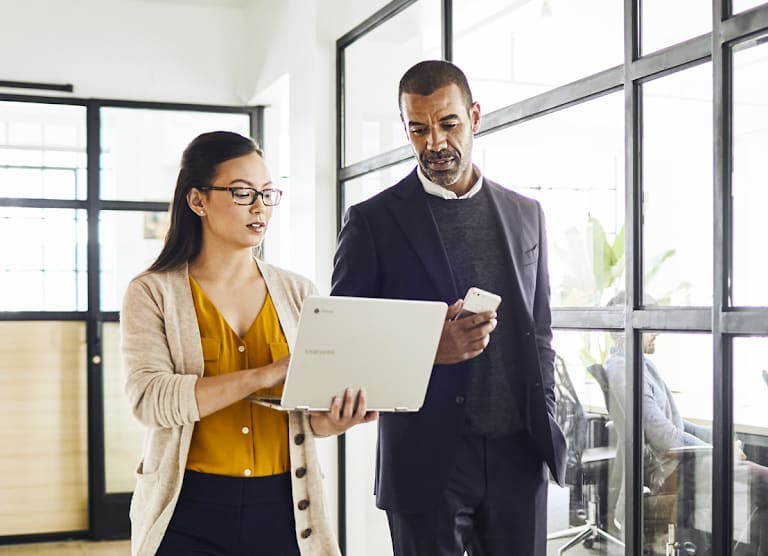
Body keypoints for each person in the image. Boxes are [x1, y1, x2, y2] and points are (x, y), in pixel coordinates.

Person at [330, 60, 566, 555]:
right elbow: (341, 349)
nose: (434, 142)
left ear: (475, 116)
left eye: (448, 123)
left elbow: (539, 329)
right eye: (418, 129)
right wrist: (426, 348)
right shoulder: (373, 222)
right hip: (424, 457)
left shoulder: (526, 214)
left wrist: (543, 412)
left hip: (518, 452)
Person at [121, 131, 377, 556]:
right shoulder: (151, 292)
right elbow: (150, 400)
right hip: (187, 508)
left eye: (267, 193)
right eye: (242, 193)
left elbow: (305, 413)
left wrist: (333, 420)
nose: (259, 207)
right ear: (197, 200)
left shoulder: (298, 292)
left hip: (284, 506)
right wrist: (267, 373)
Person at [604, 295, 768, 554]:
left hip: (683, 459)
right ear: (627, 327)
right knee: (764, 483)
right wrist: (719, 451)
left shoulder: (639, 364)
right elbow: (663, 436)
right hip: (674, 467)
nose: (656, 331)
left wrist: (720, 437)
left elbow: (675, 424)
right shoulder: (624, 371)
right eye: (649, 324)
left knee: (761, 499)